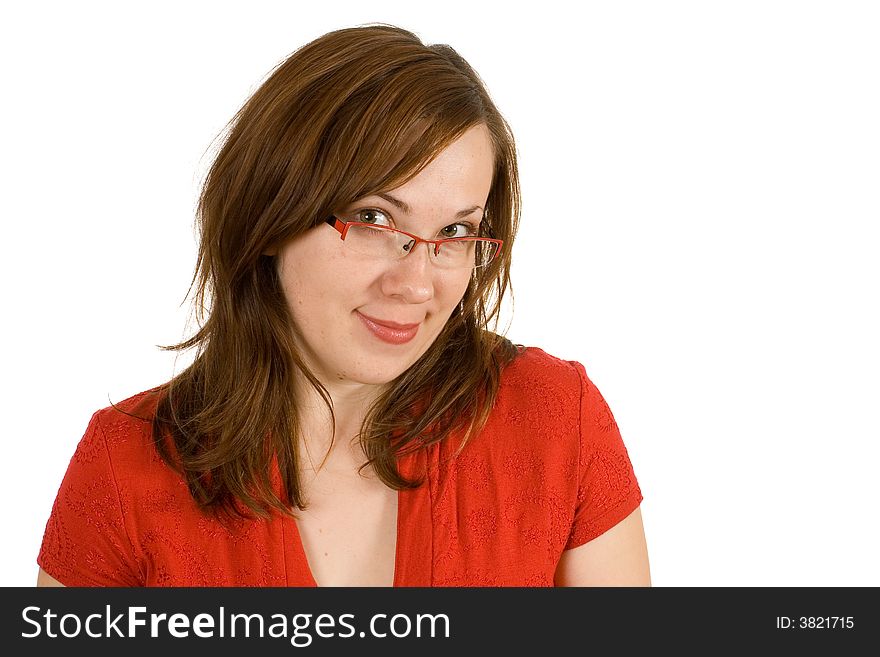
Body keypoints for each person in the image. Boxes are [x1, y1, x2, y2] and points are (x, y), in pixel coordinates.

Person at [37, 24, 650, 587]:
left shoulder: (554, 423)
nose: (416, 284)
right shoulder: (124, 472)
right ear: (272, 215)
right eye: (373, 218)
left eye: (458, 232)